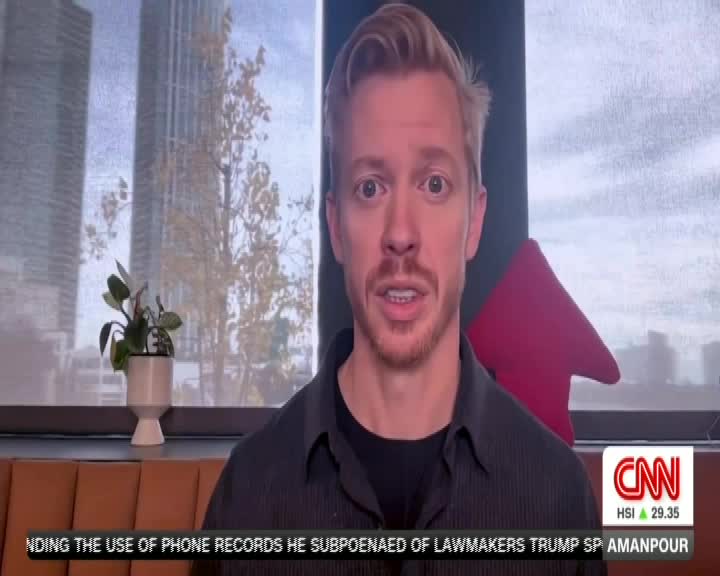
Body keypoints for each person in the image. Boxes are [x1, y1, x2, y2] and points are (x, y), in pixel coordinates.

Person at [194, 4, 605, 575]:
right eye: (370, 187)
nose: (401, 234)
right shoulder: (248, 496)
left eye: (434, 184)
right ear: (337, 227)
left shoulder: (556, 496)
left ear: (475, 221)